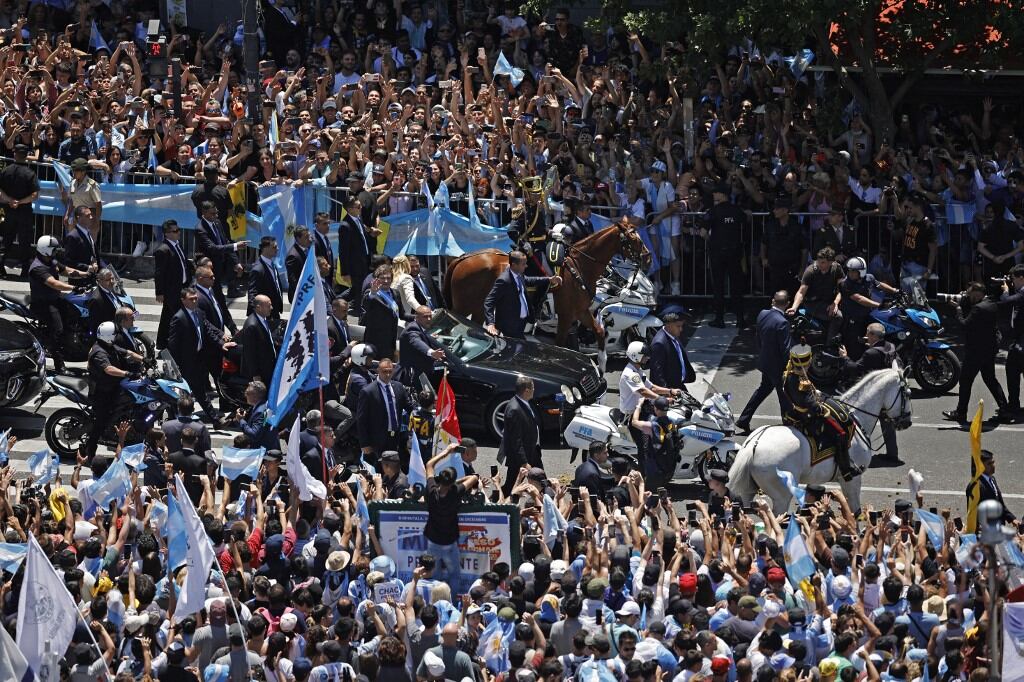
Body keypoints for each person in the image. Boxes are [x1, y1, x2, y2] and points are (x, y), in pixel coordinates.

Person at [783, 344, 860, 481]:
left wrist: (816, 393)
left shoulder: (789, 374)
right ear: (806, 363)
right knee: (841, 434)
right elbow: (811, 406)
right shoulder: (801, 381)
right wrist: (821, 407)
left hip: (794, 413)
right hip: (808, 416)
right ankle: (845, 468)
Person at [942, 281, 1010, 423]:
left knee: (965, 380)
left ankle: (961, 413)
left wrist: (958, 310)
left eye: (970, 294)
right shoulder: (990, 303)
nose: (968, 296)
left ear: (978, 293)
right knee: (990, 379)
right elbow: (974, 313)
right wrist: (966, 301)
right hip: (989, 349)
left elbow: (965, 325)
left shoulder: (978, 309)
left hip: (976, 351)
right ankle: (1005, 410)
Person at [167, 287, 232, 423]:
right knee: (190, 392)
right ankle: (210, 419)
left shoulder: (199, 313)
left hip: (199, 359)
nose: (195, 301)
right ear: (183, 300)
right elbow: (173, 344)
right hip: (185, 363)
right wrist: (175, 365)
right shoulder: (179, 318)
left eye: (196, 298)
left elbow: (208, 330)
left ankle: (212, 419)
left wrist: (221, 343)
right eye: (191, 299)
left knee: (198, 391)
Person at [839, 322, 900, 460]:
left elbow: (854, 368)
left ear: (872, 335)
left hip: (874, 392)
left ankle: (856, 451)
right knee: (887, 422)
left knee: (862, 421)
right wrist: (871, 346)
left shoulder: (871, 353)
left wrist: (844, 357)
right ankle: (892, 454)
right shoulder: (890, 346)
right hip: (888, 391)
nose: (865, 335)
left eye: (868, 332)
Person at [737, 291, 793, 433]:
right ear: (787, 304)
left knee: (763, 390)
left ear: (773, 301)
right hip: (777, 367)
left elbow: (758, 337)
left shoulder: (762, 314)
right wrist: (790, 368)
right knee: (784, 397)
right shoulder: (783, 323)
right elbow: (785, 350)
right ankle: (788, 426)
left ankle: (744, 419)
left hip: (765, 362)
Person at [423, 451, 480, 588]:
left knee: (434, 577)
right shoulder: (455, 492)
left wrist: (447, 450)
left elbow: (429, 464)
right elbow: (473, 478)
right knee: (454, 575)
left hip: (433, 542)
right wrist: (457, 482)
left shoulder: (432, 491)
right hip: (449, 543)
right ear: (452, 482)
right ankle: (452, 602)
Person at [28, 235, 85, 371]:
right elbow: (54, 283)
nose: (57, 251)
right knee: (57, 330)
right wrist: (74, 288)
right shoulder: (37, 268)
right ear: (45, 250)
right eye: (54, 249)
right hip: (43, 304)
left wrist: (87, 274)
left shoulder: (51, 261)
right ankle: (59, 364)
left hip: (55, 300)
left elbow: (67, 270)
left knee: (73, 316)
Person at [484, 250, 561, 339]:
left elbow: (530, 280)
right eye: (523, 264)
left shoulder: (518, 274)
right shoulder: (504, 280)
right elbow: (489, 301)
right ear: (514, 265)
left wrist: (549, 279)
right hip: (509, 326)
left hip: (520, 323)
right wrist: (490, 323)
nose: (526, 266)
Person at [700, 183, 747, 327]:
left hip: (718, 253)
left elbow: (703, 232)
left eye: (716, 192)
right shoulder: (737, 210)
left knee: (719, 286)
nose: (714, 194)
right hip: (735, 252)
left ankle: (719, 319)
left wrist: (712, 240)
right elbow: (745, 220)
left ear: (722, 194)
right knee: (736, 286)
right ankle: (740, 319)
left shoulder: (713, 211)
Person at [83, 321, 131, 459]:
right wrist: (126, 373)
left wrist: (143, 359)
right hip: (102, 391)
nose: (117, 337)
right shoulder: (99, 352)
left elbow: (125, 352)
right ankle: (90, 451)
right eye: (115, 334)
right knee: (102, 420)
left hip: (112, 386)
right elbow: (108, 369)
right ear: (109, 336)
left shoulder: (107, 345)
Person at [839, 257, 898, 358]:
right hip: (852, 319)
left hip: (867, 316)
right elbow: (859, 299)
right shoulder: (845, 284)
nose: (850, 273)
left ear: (861, 272)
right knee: (855, 347)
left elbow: (880, 285)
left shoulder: (869, 278)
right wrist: (879, 305)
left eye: (854, 271)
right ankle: (853, 367)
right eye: (849, 271)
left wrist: (894, 291)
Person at [356, 358, 410, 466]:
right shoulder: (368, 391)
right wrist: (364, 443)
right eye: (385, 371)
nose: (388, 374)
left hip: (396, 436)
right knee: (381, 467)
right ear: (378, 371)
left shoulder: (398, 387)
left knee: (396, 465)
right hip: (378, 438)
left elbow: (409, 406)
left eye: (390, 371)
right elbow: (361, 419)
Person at [788, 247, 845, 346]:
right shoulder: (811, 271)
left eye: (823, 262)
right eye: (818, 261)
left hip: (830, 301)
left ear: (830, 262)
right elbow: (801, 292)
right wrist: (794, 307)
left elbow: (842, 290)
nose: (819, 264)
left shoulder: (837, 269)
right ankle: (829, 346)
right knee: (837, 317)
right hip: (813, 303)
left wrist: (835, 303)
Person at [497, 375, 543, 495]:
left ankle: (545, 501)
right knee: (511, 486)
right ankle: (499, 503)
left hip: (532, 451)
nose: (534, 390)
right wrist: (524, 462)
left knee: (542, 481)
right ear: (527, 390)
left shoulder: (523, 403)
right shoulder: (514, 410)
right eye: (533, 388)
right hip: (521, 458)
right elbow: (515, 440)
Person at [0, 143, 40, 278]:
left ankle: (0, 268)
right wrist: (20, 202)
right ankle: (24, 271)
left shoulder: (6, 171)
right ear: (26, 156)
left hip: (8, 210)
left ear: (14, 154)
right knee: (25, 242)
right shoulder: (30, 173)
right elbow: (35, 195)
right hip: (24, 212)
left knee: (5, 240)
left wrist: (10, 200)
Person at [153, 219, 193, 349]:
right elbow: (159, 273)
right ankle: (171, 343)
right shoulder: (163, 250)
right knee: (175, 316)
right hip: (171, 290)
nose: (178, 233)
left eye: (178, 230)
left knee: (167, 316)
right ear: (166, 233)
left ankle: (162, 342)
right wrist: (159, 292)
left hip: (182, 287)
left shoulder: (177, 245)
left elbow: (184, 263)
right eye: (175, 231)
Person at [195, 199, 244, 298]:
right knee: (216, 296)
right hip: (211, 267)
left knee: (218, 297)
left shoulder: (217, 223)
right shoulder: (200, 229)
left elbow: (225, 242)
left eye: (217, 212)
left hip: (223, 263)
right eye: (213, 213)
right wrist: (235, 246)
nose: (216, 215)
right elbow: (213, 248)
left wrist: (236, 262)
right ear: (204, 213)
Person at [629, 396, 680, 489]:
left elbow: (634, 422)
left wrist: (639, 405)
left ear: (655, 408)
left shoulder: (652, 426)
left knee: (649, 492)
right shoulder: (672, 423)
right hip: (668, 465)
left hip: (655, 467)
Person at [760, 197, 806, 296]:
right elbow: (764, 243)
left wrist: (802, 269)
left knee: (792, 294)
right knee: (774, 294)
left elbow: (804, 249)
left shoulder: (796, 227)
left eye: (777, 208)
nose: (774, 211)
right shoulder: (770, 226)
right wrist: (763, 258)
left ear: (785, 210)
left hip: (792, 267)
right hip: (774, 266)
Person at [338, 192, 374, 315]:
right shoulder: (345, 225)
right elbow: (343, 250)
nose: (361, 208)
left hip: (364, 260)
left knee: (358, 288)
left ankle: (336, 301)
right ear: (349, 209)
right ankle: (359, 312)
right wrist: (345, 272)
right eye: (358, 207)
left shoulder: (358, 219)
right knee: (359, 289)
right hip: (355, 265)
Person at [398, 305, 448, 385]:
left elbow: (421, 337)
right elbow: (416, 342)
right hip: (412, 377)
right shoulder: (412, 329)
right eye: (425, 317)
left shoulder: (422, 326)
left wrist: (429, 337)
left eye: (430, 316)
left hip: (423, 371)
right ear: (417, 317)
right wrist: (432, 353)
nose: (429, 319)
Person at [649, 309, 696, 392]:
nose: (681, 329)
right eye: (678, 326)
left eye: (681, 326)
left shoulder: (673, 335)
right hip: (669, 391)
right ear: (668, 325)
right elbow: (658, 375)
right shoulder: (659, 344)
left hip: (678, 386)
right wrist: (668, 393)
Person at [361, 264, 401, 360]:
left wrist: (417, 316)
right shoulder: (371, 293)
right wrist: (373, 293)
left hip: (390, 341)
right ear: (377, 279)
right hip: (375, 341)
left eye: (388, 278)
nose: (386, 281)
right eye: (383, 278)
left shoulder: (395, 293)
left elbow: (402, 314)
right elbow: (366, 305)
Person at [967, 449, 1017, 524]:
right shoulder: (975, 486)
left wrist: (1012, 519)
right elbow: (974, 512)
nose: (993, 466)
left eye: (993, 462)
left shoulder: (992, 479)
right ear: (980, 466)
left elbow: (999, 503)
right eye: (989, 464)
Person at [239, 295, 278, 385]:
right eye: (268, 306)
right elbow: (249, 353)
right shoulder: (252, 326)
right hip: (261, 372)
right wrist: (255, 375)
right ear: (259, 307)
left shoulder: (263, 319)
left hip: (268, 368)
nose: (271, 308)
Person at [248, 236, 285, 320]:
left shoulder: (272, 264)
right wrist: (259, 316)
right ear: (266, 248)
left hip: (274, 311)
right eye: (274, 247)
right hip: (265, 314)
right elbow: (252, 294)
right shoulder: (257, 270)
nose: (278, 249)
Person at [62, 205, 102, 278]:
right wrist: (86, 267)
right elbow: (68, 261)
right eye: (87, 216)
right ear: (78, 217)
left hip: (91, 277)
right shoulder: (72, 236)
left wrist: (96, 263)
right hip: (79, 280)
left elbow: (93, 253)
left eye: (91, 215)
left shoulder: (88, 233)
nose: (91, 217)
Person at [85, 268, 121, 334]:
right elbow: (96, 323)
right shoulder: (96, 300)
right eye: (108, 280)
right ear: (99, 281)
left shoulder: (111, 288)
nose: (112, 281)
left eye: (112, 278)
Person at [285, 225, 313, 301]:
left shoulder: (309, 249)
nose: (309, 239)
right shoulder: (293, 256)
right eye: (306, 237)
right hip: (300, 296)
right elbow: (293, 280)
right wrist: (302, 293)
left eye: (309, 236)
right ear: (298, 239)